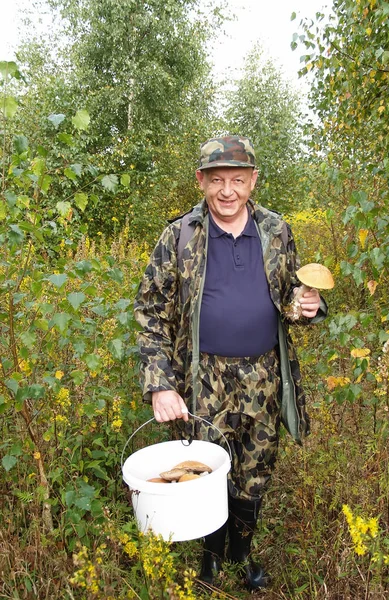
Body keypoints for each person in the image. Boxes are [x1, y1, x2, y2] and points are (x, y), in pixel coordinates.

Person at [134, 135, 327, 590]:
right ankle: (210, 559)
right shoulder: (179, 235)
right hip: (203, 378)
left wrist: (306, 305)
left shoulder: (277, 230)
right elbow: (150, 312)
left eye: (237, 180)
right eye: (217, 180)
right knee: (205, 469)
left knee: (254, 469)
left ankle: (242, 553)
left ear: (253, 180)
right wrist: (160, 384)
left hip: (263, 373)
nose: (227, 191)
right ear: (201, 181)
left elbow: (289, 299)